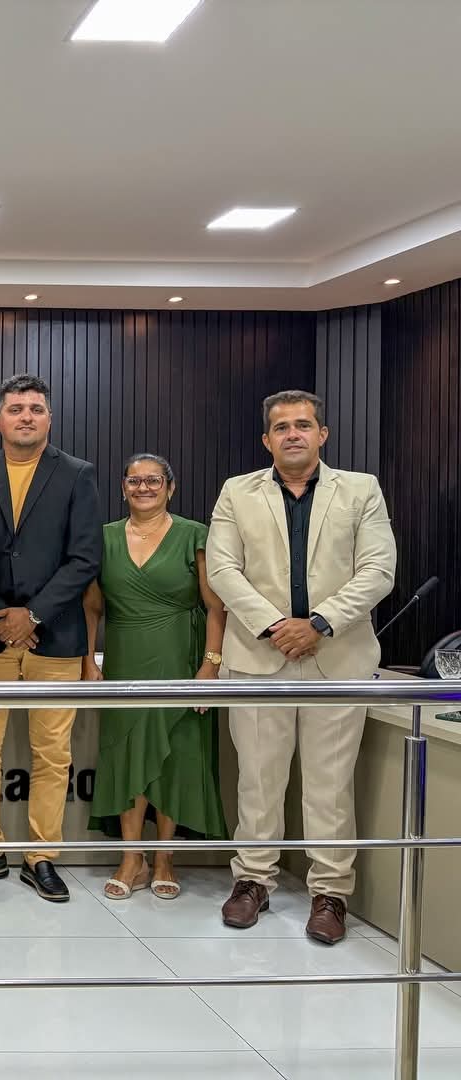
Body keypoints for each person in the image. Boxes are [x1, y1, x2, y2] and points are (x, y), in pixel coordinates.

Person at [207, 390, 396, 945]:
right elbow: (222, 570)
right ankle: (252, 881)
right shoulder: (236, 492)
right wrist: (275, 626)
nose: (293, 433)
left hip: (336, 659)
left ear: (322, 434)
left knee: (330, 785)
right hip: (258, 659)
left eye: (303, 425)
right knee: (257, 781)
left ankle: (330, 893)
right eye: (282, 427)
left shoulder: (360, 489)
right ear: (266, 439)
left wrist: (318, 623)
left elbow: (378, 569)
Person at [0, 373, 102, 903]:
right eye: (16, 409)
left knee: (53, 754)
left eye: (36, 409)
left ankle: (42, 857)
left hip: (54, 638)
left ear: (49, 419)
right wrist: (2, 613)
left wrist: (33, 614)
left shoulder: (77, 474)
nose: (26, 417)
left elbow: (85, 557)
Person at [82, 453, 229, 901]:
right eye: (134, 481)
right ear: (123, 487)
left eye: (153, 480)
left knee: (174, 757)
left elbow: (216, 606)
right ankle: (132, 858)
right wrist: (88, 660)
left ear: (170, 487)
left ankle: (165, 857)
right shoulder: (103, 537)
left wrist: (210, 665)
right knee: (125, 755)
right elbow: (91, 606)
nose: (143, 488)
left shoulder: (194, 534)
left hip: (180, 659)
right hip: (125, 658)